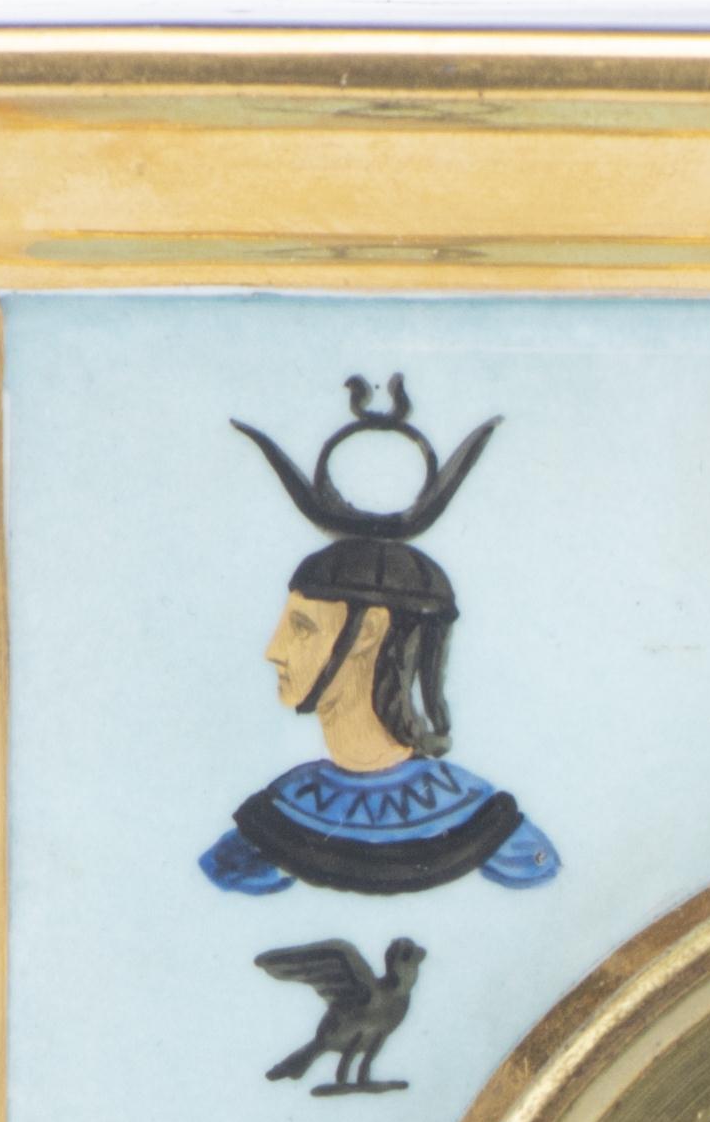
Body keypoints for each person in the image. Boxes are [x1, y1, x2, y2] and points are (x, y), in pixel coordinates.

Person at [201, 382, 561, 900]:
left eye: (302, 627)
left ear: (368, 630)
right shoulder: (264, 831)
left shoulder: (493, 832)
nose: (273, 649)